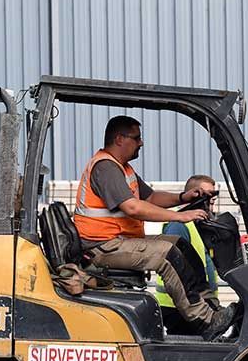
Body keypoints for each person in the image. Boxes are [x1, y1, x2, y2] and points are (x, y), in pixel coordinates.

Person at [73, 115, 234, 340]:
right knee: (167, 254)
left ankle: (211, 309)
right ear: (119, 139)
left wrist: (184, 197)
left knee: (182, 247)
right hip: (102, 246)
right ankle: (204, 321)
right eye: (137, 138)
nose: (141, 143)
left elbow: (151, 197)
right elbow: (133, 208)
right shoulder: (106, 168)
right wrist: (180, 217)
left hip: (119, 241)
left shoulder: (123, 169)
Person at [156, 174, 221, 328]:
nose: (210, 206)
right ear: (193, 196)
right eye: (206, 199)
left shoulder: (199, 225)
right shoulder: (179, 226)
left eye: (212, 201)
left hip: (198, 303)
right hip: (181, 308)